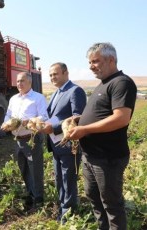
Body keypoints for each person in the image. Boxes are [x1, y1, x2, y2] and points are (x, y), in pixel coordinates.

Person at [68, 42, 137, 230]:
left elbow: (121, 118)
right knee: (94, 199)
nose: (91, 66)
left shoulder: (121, 83)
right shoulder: (103, 84)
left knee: (112, 205)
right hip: (91, 156)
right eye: (90, 62)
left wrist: (85, 129)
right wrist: (81, 120)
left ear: (111, 59)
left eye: (95, 61)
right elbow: (102, 112)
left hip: (108, 158)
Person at [39, 62, 86, 222]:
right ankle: (63, 207)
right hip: (55, 144)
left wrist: (55, 127)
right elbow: (52, 115)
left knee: (68, 178)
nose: (52, 77)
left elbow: (78, 117)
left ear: (66, 73)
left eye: (55, 74)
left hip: (67, 143)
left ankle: (68, 214)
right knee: (59, 178)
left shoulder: (75, 91)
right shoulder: (55, 93)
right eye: (51, 75)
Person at [3, 72, 48, 209]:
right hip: (17, 140)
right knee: (23, 169)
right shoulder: (13, 99)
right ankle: (30, 194)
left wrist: (28, 122)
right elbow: (8, 115)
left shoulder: (38, 98)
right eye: (17, 81)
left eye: (22, 81)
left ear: (29, 82)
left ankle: (38, 199)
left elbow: (44, 117)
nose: (19, 84)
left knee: (35, 170)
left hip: (32, 139)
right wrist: (5, 124)